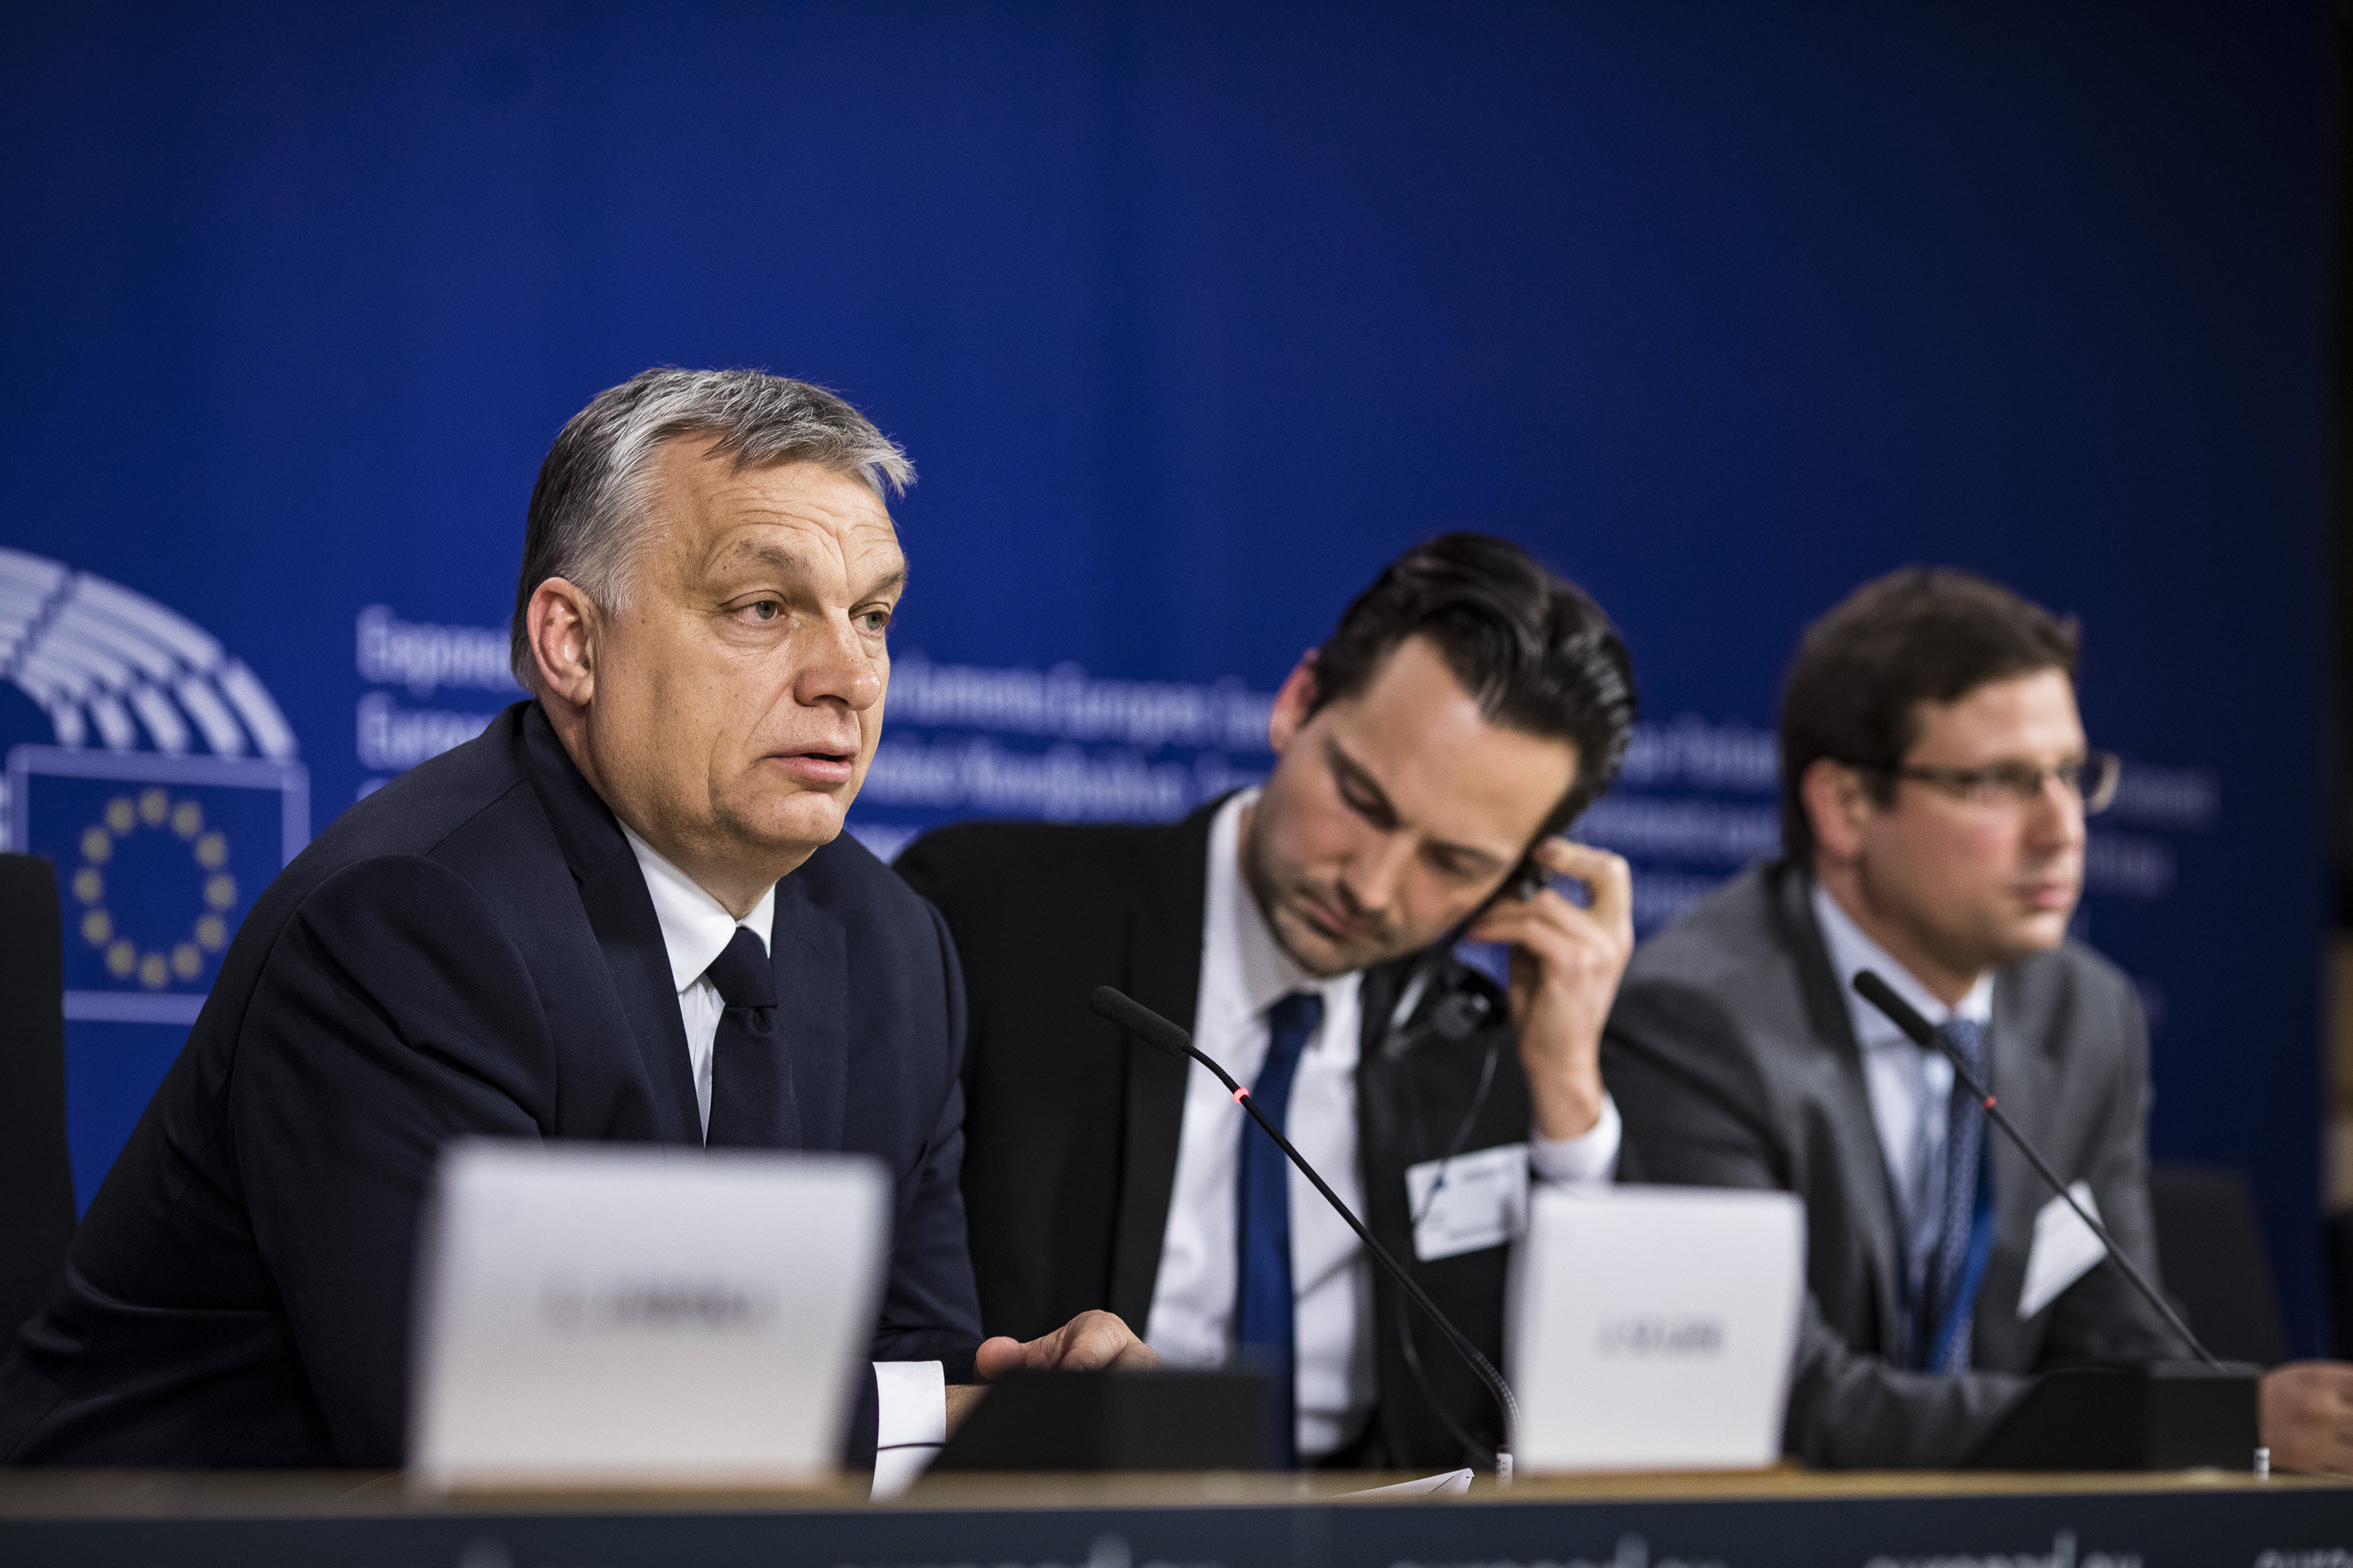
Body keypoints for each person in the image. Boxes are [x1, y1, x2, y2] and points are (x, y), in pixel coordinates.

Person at [0, 369, 1147, 1470]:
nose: (848, 675)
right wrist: (941, 1420)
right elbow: (478, 1420)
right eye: (763, 608)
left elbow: (908, 1366)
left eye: (873, 615)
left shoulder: (892, 946)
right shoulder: (409, 924)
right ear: (573, 643)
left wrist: (1024, 1404)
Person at [895, 534, 1639, 1468]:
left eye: (1455, 862)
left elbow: (1577, 1427)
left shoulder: (1479, 1050)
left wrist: (1567, 1094)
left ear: (1522, 875)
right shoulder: (987, 916)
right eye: (1362, 800)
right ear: (1298, 702)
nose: (1372, 885)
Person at [1602, 567, 2353, 1473]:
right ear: (1844, 806)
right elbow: (1784, 1398)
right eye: (1998, 782)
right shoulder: (1696, 1018)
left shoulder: (2085, 1014)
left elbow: (2118, 1347)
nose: (2061, 829)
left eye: (2070, 775)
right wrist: (2226, 1418)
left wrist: (2232, 1418)